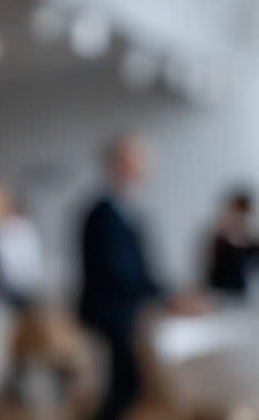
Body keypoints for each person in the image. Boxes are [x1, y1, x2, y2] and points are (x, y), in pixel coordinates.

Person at [77, 134, 203, 420]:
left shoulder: (129, 211)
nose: (145, 168)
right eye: (138, 161)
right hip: (107, 316)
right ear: (121, 163)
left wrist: (171, 294)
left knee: (126, 387)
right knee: (124, 387)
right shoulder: (102, 214)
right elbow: (119, 271)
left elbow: (142, 269)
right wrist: (169, 296)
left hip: (125, 313)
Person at [204, 189, 256, 298]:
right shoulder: (219, 238)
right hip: (218, 293)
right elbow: (210, 269)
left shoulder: (251, 241)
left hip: (240, 294)